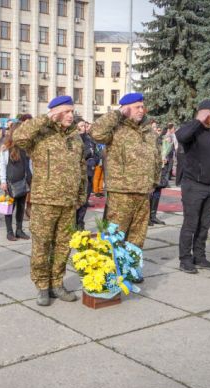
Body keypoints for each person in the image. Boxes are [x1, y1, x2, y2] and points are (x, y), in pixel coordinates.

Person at [14, 96, 85, 306]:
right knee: (42, 245)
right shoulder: (40, 134)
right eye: (66, 111)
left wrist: (81, 195)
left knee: (63, 245)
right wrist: (45, 119)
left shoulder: (75, 136)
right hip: (45, 200)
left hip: (69, 201)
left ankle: (57, 283)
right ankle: (42, 286)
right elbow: (19, 137)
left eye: (72, 111)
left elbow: (81, 168)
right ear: (54, 112)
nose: (71, 115)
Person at [92, 93, 161, 263]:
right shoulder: (116, 129)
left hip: (143, 191)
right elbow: (95, 132)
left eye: (142, 106)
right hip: (121, 191)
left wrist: (154, 182)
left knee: (138, 233)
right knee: (115, 233)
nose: (141, 110)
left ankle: (131, 266)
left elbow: (157, 158)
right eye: (137, 107)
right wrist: (117, 114)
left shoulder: (148, 131)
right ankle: (109, 267)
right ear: (126, 108)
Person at [175, 100, 210, 273]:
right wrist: (198, 120)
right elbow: (181, 137)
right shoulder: (193, 129)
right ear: (204, 113)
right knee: (191, 224)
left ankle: (199, 256)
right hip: (193, 186)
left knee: (205, 225)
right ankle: (185, 259)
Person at [0, 124, 31, 241]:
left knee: (21, 207)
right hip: (11, 182)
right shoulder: (6, 147)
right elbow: (2, 164)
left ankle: (19, 230)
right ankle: (9, 231)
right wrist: (3, 181)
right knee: (9, 208)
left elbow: (29, 164)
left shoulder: (26, 146)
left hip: (24, 181)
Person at [75, 119, 100, 230]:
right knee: (76, 201)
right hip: (77, 175)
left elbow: (97, 154)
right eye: (81, 125)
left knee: (84, 200)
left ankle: (80, 223)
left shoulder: (90, 139)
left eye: (84, 125)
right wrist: (88, 155)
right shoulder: (73, 139)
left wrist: (94, 160)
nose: (84, 127)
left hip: (89, 173)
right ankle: (73, 223)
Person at [151, 125, 176, 225]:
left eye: (158, 129)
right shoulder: (147, 140)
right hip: (151, 170)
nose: (157, 131)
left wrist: (164, 158)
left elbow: (165, 152)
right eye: (155, 128)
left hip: (161, 170)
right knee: (149, 194)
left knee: (157, 192)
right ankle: (147, 217)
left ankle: (153, 215)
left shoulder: (162, 140)